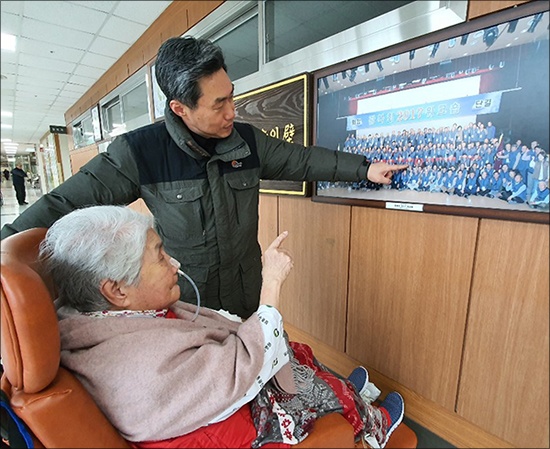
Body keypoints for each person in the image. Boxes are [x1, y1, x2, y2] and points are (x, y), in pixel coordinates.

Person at [1, 36, 408, 318]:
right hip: (186, 298)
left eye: (231, 95)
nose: (233, 110)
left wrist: (363, 169)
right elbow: (64, 204)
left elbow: (300, 160)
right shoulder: (140, 152)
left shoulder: (247, 141)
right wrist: (7, 245)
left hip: (247, 291)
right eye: (220, 104)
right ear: (180, 108)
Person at [39, 205, 404, 449]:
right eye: (160, 255)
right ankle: (372, 423)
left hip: (219, 408)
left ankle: (347, 391)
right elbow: (246, 364)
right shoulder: (137, 369)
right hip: (239, 424)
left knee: (296, 354)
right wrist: (272, 282)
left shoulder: (84, 316)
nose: (174, 262)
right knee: (301, 371)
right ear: (117, 290)